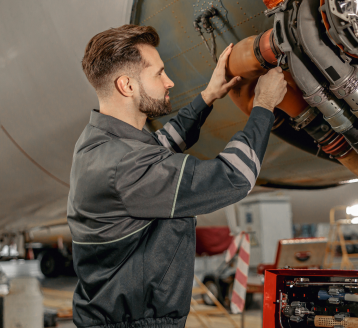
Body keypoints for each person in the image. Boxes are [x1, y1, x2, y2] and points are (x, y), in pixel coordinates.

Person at [67, 24, 286, 328]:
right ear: (127, 86)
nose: (169, 82)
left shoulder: (99, 142)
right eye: (158, 74)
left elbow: (160, 147)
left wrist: (209, 96)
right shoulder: (127, 165)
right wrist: (264, 105)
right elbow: (234, 176)